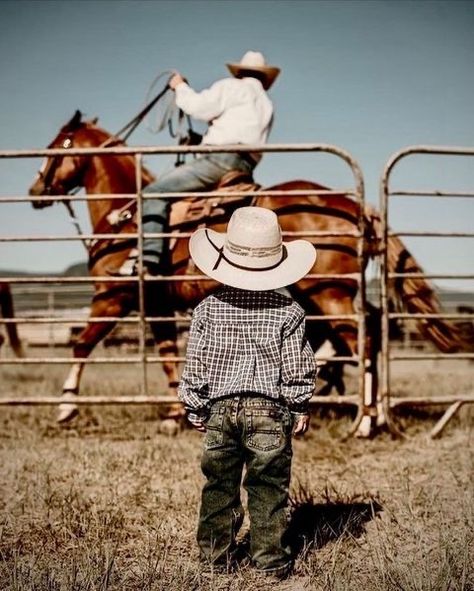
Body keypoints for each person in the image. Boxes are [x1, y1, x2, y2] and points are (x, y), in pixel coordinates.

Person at [178, 206, 317, 578]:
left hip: (220, 410)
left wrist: (195, 406)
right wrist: (300, 403)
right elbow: (296, 364)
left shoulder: (207, 309)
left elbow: (197, 363)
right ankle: (270, 562)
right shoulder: (290, 311)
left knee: (219, 486)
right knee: (268, 487)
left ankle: (214, 559)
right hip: (270, 412)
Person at [115, 50, 280, 276]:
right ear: (264, 78)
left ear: (240, 72)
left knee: (153, 193)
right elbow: (238, 132)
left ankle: (148, 259)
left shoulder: (232, 87)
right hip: (245, 167)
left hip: (219, 161)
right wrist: (202, 141)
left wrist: (179, 86)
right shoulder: (266, 103)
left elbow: (199, 108)